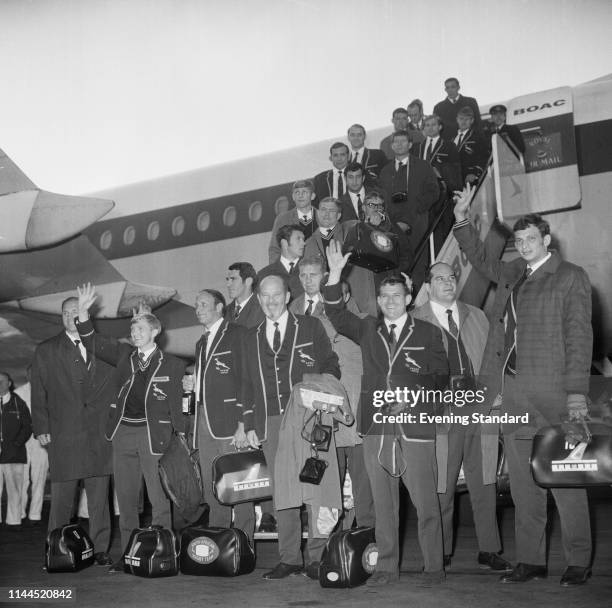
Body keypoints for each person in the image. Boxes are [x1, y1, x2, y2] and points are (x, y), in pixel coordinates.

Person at [453, 185, 593, 587]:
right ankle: (531, 560)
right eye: (519, 240)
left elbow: (580, 337)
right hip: (512, 394)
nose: (525, 245)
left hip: (555, 396)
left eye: (532, 239)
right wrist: (463, 220)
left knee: (565, 480)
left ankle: (578, 560)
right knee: (522, 483)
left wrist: (578, 393)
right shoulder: (514, 273)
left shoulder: (570, 276)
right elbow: (481, 261)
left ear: (546, 240)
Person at [323, 241, 449, 587]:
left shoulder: (428, 332)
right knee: (384, 504)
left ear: (409, 298)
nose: (390, 301)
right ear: (378, 301)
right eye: (384, 296)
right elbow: (335, 313)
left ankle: (434, 567)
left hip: (415, 427)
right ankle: (387, 567)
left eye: (397, 295)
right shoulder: (367, 329)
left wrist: (413, 395)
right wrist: (334, 275)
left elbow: (441, 379)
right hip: (377, 427)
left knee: (426, 503)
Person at [75, 284, 186, 572]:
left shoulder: (172, 365)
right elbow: (93, 342)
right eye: (133, 329)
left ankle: (164, 551)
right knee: (125, 497)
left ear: (154, 332)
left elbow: (176, 404)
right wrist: (83, 313)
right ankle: (129, 554)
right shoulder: (125, 356)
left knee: (158, 497)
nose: (134, 333)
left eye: (140, 329)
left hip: (153, 436)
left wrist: (184, 436)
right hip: (123, 432)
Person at [412, 262, 511, 571]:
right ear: (427, 287)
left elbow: (495, 359)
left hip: (480, 410)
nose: (448, 282)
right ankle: (439, 550)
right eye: (439, 278)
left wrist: (496, 393)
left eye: (451, 277)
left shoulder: (477, 315)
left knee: (484, 482)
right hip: (442, 414)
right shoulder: (414, 322)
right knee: (442, 484)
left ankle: (489, 548)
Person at [240, 274, 340, 579]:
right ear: (258, 299)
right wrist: (248, 424)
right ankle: (289, 557)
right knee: (282, 492)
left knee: (315, 485)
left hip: (309, 419)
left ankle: (316, 557)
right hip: (270, 422)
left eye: (276, 295)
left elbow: (332, 365)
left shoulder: (310, 326)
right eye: (264, 296)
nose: (270, 301)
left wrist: (318, 391)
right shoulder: (250, 336)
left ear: (287, 296)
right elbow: (245, 385)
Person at [289, 258, 374, 528]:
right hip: (325, 418)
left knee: (364, 486)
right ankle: (327, 542)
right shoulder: (308, 323)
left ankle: (365, 539)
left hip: (359, 415)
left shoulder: (365, 326)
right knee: (326, 485)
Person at [31, 296, 115, 566]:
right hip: (63, 434)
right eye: (66, 313)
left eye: (76, 313)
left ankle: (100, 547)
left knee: (99, 498)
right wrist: (41, 427)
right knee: (62, 499)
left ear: (86, 316)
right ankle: (56, 548)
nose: (70, 317)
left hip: (98, 434)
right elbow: (38, 391)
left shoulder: (102, 347)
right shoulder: (46, 349)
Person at [184, 289, 255, 540]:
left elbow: (247, 380)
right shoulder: (201, 341)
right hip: (204, 420)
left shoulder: (237, 334)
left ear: (220, 307)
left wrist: (243, 423)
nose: (198, 309)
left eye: (203, 304)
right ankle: (219, 542)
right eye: (196, 305)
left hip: (229, 421)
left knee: (238, 484)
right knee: (213, 483)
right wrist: (194, 386)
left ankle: (244, 543)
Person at [378, 130, 439, 248]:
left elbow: (433, 192)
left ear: (410, 145)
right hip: (393, 225)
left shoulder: (423, 166)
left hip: (418, 221)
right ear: (391, 146)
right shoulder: (385, 171)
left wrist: (412, 216)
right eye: (396, 142)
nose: (399, 144)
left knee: (419, 260)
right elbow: (382, 199)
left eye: (403, 141)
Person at [411, 114, 462, 251]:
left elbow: (456, 170)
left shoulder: (449, 146)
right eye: (427, 125)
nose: (430, 128)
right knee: (424, 231)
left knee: (442, 229)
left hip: (443, 195)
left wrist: (457, 192)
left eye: (433, 124)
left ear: (440, 127)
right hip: (422, 196)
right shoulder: (416, 148)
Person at [15, 371, 48, 526]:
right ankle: (19, 513)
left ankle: (35, 515)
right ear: (28, 376)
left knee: (39, 477)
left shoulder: (51, 392)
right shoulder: (18, 393)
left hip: (43, 440)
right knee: (22, 478)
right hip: (22, 441)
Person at [0, 372, 32, 531]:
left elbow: (27, 427)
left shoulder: (19, 403)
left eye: (2, 381)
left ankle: (13, 522)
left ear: (10, 383)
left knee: (14, 490)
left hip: (14, 454)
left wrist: (16, 444)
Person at [268, 180, 318, 263]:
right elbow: (274, 249)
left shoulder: (323, 217)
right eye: (297, 192)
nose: (300, 195)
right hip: (293, 271)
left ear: (312, 196)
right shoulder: (282, 219)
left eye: (304, 192)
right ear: (293, 197)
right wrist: (278, 272)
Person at [259, 224, 305, 300]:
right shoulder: (264, 274)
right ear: (284, 243)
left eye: (303, 239)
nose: (304, 243)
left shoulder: (312, 270)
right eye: (298, 239)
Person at [433, 77, 481, 142]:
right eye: (447, 87)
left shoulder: (471, 102)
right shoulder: (438, 108)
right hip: (448, 145)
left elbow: (478, 124)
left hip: (470, 143)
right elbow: (436, 130)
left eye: (453, 87)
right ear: (445, 89)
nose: (450, 90)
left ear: (458, 87)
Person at [454, 106, 490, 186]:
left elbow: (484, 157)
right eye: (461, 118)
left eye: (467, 119)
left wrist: (475, 173)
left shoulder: (478, 137)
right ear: (457, 119)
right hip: (455, 180)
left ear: (472, 120)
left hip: (470, 179)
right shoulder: (452, 139)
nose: (463, 121)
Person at [224, 262, 265, 328]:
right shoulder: (224, 311)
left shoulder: (263, 309)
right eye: (227, 279)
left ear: (248, 281)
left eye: (233, 279)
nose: (228, 284)